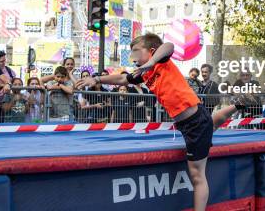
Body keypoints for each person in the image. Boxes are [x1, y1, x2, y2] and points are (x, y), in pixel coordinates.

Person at [76, 33, 252, 211]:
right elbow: (122, 78)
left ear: (151, 51)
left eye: (137, 51)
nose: (134, 56)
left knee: (197, 176)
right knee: (210, 124)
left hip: (194, 121)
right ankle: (238, 105)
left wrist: (151, 62)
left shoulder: (161, 60)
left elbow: (168, 45)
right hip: (191, 121)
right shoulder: (144, 74)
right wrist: (97, 78)